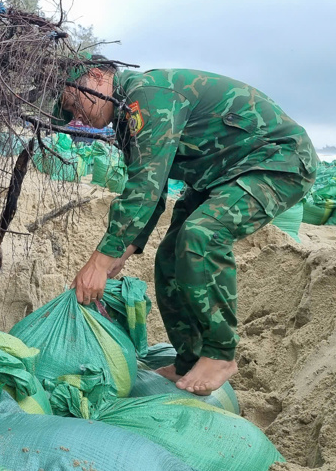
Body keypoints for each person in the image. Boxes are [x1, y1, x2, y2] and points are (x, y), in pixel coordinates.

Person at [62, 58, 318, 395]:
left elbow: (145, 187)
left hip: (277, 160)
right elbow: (153, 190)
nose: (76, 118)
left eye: (73, 104)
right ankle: (190, 357)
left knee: (202, 235)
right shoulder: (126, 119)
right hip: (221, 175)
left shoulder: (149, 95)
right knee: (168, 255)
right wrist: (122, 251)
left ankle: (220, 353)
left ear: (95, 77)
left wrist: (100, 261)